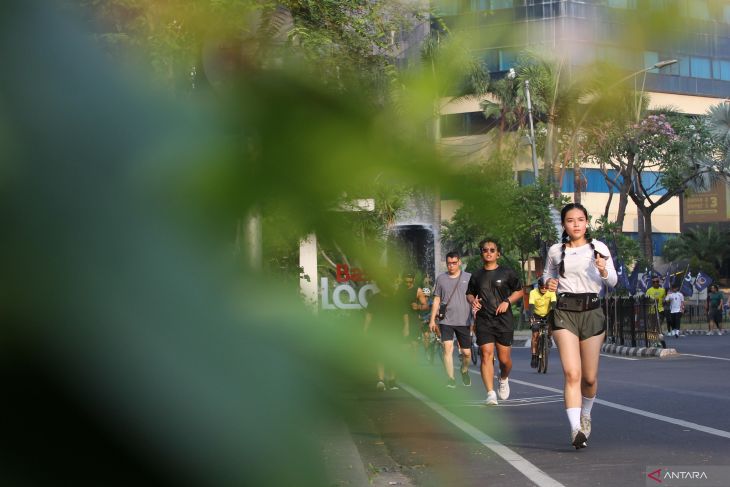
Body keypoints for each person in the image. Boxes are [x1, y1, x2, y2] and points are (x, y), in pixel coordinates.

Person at [543, 203, 617, 450]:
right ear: (564, 224)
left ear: (587, 222)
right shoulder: (556, 250)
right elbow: (546, 276)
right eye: (571, 220)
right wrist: (549, 283)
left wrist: (604, 270)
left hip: (592, 312)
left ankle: (586, 413)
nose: (576, 224)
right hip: (564, 313)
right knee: (572, 373)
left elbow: (614, 282)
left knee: (589, 377)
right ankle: (575, 428)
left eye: (581, 219)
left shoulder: (599, 248)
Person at [467, 238, 523, 406]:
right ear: (481, 253)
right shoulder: (476, 275)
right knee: (486, 354)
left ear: (498, 253)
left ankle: (503, 377)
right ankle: (490, 394)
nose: (488, 253)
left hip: (503, 321)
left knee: (505, 360)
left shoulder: (507, 273)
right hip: (484, 320)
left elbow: (520, 291)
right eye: (485, 250)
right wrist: (472, 301)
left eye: (492, 250)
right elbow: (469, 293)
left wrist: (507, 301)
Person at [428, 252, 473, 388]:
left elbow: (474, 297)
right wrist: (432, 320)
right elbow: (436, 299)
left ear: (459, 262)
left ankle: (464, 370)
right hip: (446, 320)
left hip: (464, 321)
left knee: (466, 353)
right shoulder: (441, 279)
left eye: (454, 263)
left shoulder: (469, 277)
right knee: (447, 348)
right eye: (449, 263)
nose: (451, 266)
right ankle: (451, 379)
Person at [364, 278, 409, 391]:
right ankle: (381, 380)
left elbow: (405, 314)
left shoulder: (397, 298)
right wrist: (365, 330)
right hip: (379, 331)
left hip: (395, 330)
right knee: (380, 355)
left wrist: (406, 327)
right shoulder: (375, 298)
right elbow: (369, 315)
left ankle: (392, 380)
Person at [528, 278, 556, 368]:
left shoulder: (551, 292)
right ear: (539, 287)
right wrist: (531, 317)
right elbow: (531, 305)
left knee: (552, 322)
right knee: (535, 335)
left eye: (546, 288)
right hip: (536, 314)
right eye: (542, 288)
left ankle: (548, 337)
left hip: (547, 314)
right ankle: (534, 356)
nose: (544, 289)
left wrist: (554, 313)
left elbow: (554, 303)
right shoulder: (533, 292)